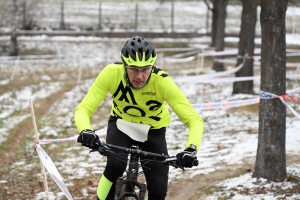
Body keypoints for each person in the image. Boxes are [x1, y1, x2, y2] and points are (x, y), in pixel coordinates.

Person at [74, 36, 204, 200]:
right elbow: (83, 109)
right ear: (124, 65)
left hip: (153, 131)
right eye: (133, 68)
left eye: (146, 69)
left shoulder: (163, 82)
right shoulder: (111, 73)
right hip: (121, 125)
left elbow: (194, 120)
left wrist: (191, 150)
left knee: (158, 190)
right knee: (114, 167)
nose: (140, 76)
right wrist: (86, 131)